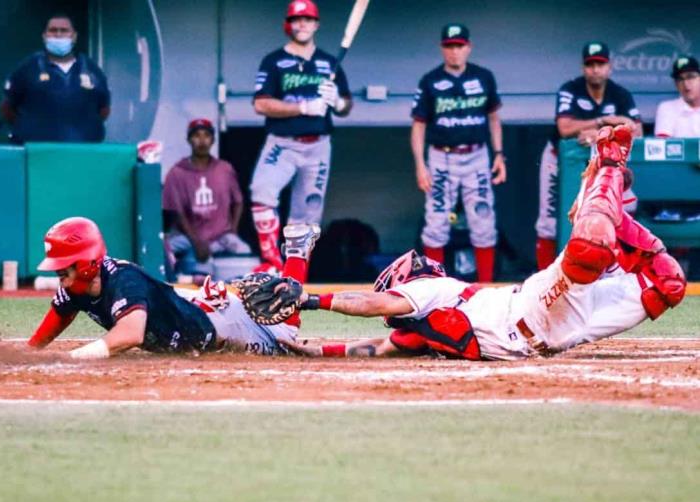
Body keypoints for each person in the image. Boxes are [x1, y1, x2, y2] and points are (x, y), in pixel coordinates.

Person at [278, 127, 686, 359]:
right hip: (556, 333)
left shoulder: (436, 290)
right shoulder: (420, 330)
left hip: (533, 310)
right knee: (668, 284)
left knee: (590, 249)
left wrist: (311, 301)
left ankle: (609, 169)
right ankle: (598, 190)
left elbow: (373, 305)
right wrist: (306, 350)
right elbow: (369, 347)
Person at [27, 216, 320, 359]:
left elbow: (129, 335)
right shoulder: (76, 287)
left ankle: (296, 252)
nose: (59, 276)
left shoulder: (123, 280)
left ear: (87, 263)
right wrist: (31, 352)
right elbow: (60, 314)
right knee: (279, 326)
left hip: (219, 322)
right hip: (188, 308)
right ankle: (293, 255)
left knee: (285, 337)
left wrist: (70, 360)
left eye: (64, 268)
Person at [249, 0, 352, 274]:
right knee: (261, 191)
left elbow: (347, 107)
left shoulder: (328, 63)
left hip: (317, 146)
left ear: (316, 24)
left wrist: (338, 102)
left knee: (306, 218)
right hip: (282, 144)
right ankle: (272, 263)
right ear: (289, 25)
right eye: (297, 19)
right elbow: (261, 103)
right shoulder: (274, 61)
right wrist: (303, 107)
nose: (303, 24)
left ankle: (295, 279)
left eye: (308, 19)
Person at [411, 23, 506, 283]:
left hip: (477, 155)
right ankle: (436, 288)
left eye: (459, 46)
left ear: (468, 47)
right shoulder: (430, 81)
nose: (455, 52)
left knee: (484, 221)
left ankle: (485, 287)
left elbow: (494, 118)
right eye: (449, 46)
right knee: (436, 223)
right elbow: (418, 126)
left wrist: (499, 154)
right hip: (441, 156)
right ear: (443, 49)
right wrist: (421, 165)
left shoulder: (483, 77)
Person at [535, 41, 642, 270]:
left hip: (603, 165)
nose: (595, 69)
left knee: (625, 210)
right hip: (560, 161)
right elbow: (564, 128)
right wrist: (604, 120)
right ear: (584, 67)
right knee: (551, 220)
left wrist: (600, 133)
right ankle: (545, 276)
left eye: (600, 64)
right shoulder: (570, 89)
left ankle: (616, 271)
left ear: (609, 67)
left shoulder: (620, 94)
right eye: (590, 64)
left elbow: (636, 129)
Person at [163, 118, 251, 282]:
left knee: (243, 251)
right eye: (197, 135)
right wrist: (197, 242)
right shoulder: (177, 172)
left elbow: (238, 201)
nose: (202, 140)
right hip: (187, 237)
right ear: (189, 139)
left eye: (206, 135)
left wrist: (233, 229)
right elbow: (177, 213)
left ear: (212, 140)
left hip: (220, 236)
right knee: (163, 248)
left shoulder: (224, 169)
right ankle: (177, 281)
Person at [1, 13, 110, 144]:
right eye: (53, 30)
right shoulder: (28, 67)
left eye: (64, 31)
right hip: (37, 152)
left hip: (83, 151)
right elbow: (7, 108)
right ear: (44, 36)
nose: (58, 34)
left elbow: (104, 110)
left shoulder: (92, 70)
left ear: (74, 36)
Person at [654, 55, 700, 138]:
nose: (685, 83)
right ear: (676, 84)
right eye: (680, 79)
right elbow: (663, 144)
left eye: (690, 77)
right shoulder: (667, 108)